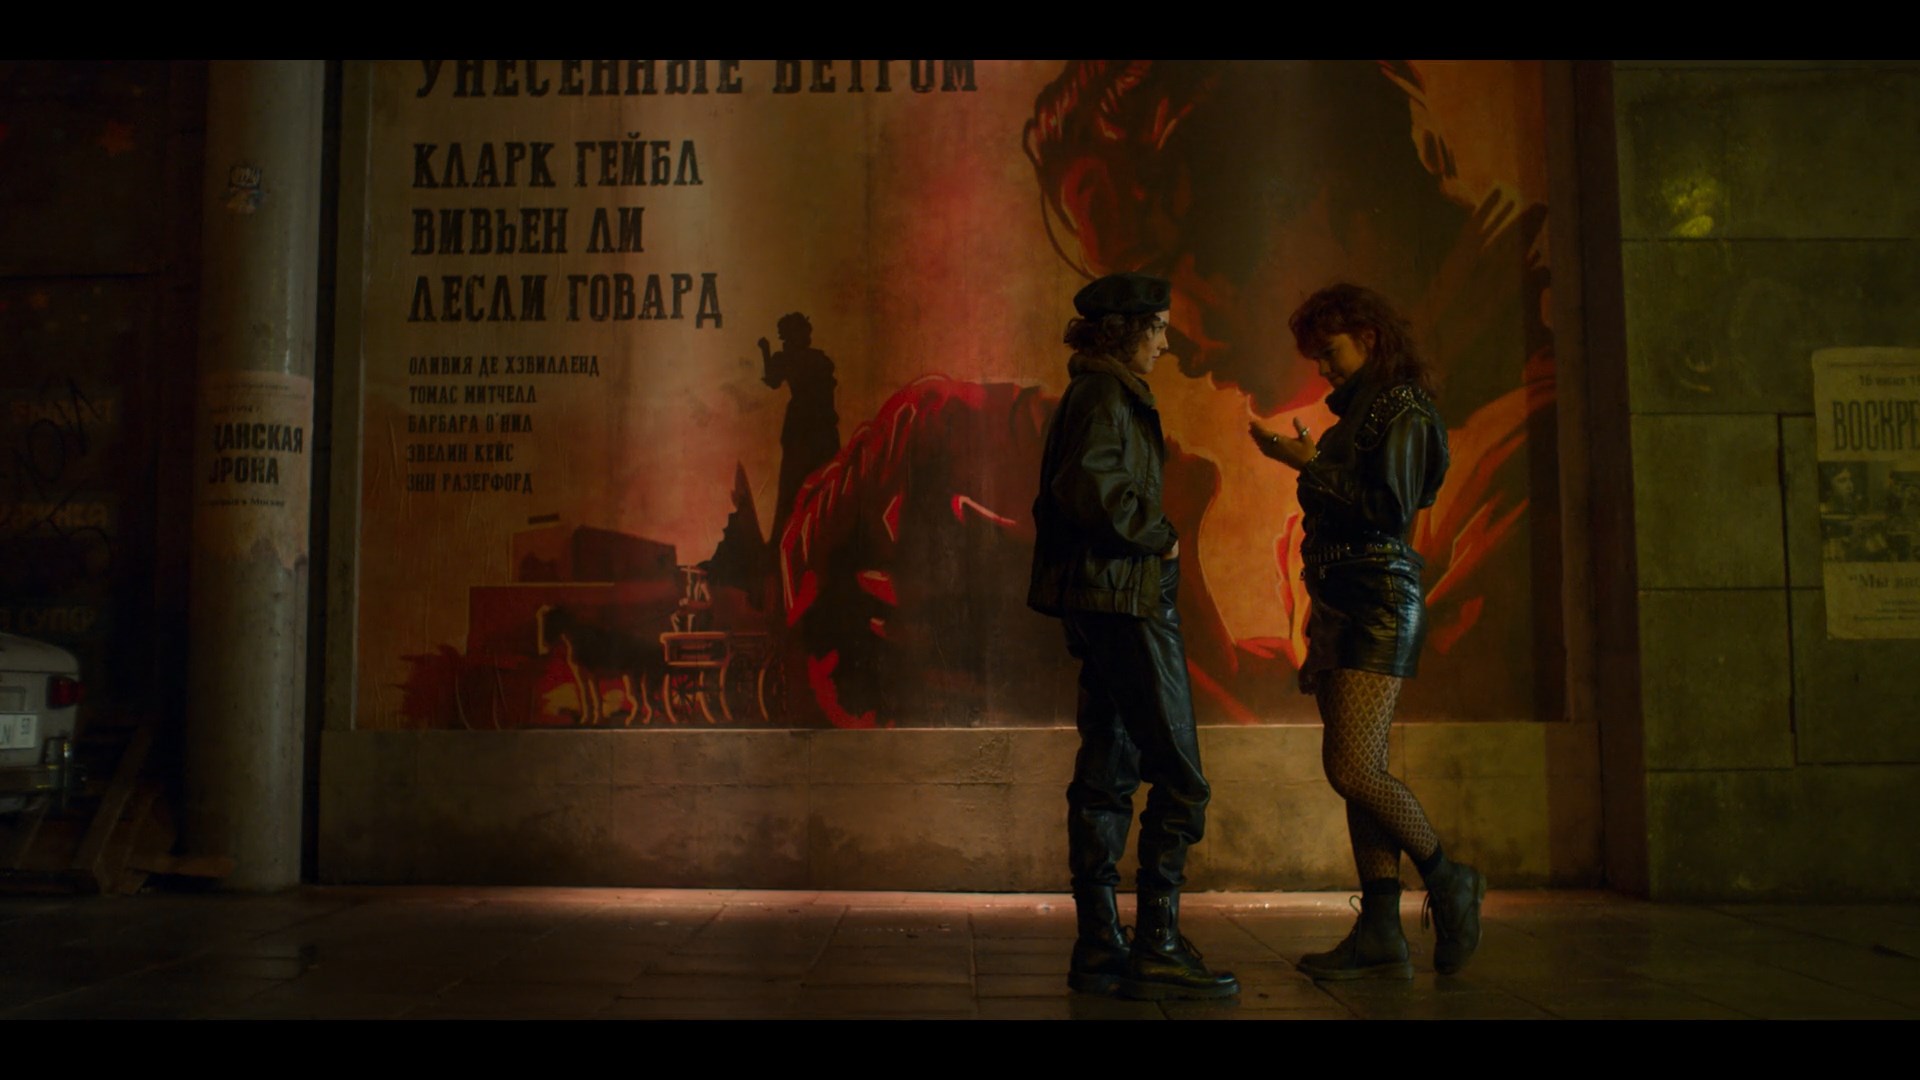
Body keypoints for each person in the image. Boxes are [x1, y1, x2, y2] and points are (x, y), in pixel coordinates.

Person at [1249, 283, 1486, 979]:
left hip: (1377, 600)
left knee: (1352, 768)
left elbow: (1387, 509)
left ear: (1370, 338)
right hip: (1343, 601)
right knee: (1362, 774)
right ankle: (1381, 927)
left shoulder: (1402, 407)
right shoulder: (1360, 414)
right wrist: (1315, 460)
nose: (1323, 369)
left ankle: (1449, 877)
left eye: (1331, 352)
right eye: (1317, 358)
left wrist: (1308, 465)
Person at [1027, 271, 1237, 1001]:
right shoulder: (1105, 394)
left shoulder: (1098, 390)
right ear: (1125, 331)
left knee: (1109, 770)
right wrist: (1160, 534)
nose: (1166, 343)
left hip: (1104, 597)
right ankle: (1158, 945)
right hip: (1124, 598)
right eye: (1158, 328)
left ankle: (1099, 945)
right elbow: (1089, 486)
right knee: (1180, 776)